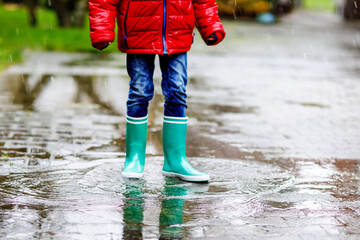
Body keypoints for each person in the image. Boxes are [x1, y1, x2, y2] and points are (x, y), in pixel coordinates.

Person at [89, 0, 225, 182]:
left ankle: (175, 160)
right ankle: (134, 158)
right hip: (138, 31)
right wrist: (101, 29)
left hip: (177, 32)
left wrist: (210, 25)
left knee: (177, 91)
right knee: (139, 92)